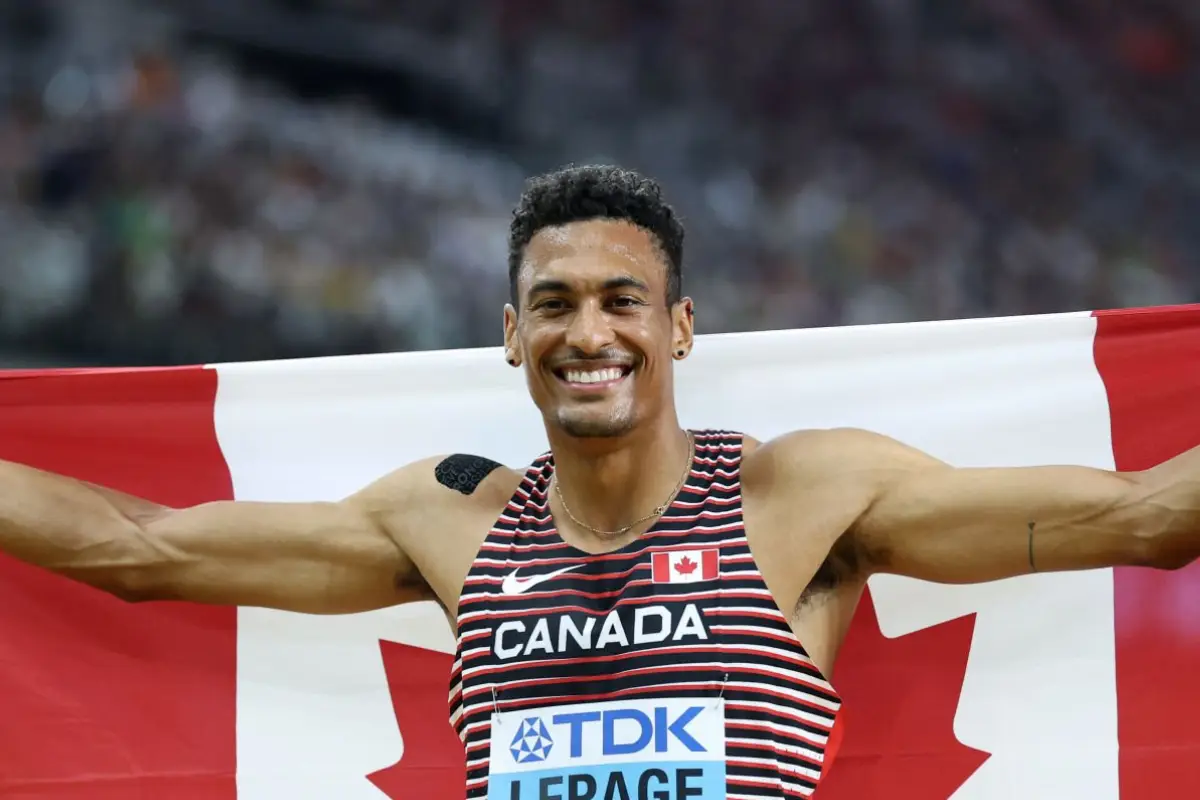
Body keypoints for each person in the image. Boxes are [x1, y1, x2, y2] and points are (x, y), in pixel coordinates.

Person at [1, 164, 1197, 799]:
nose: (591, 332)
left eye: (622, 299)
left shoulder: (799, 498)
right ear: (512, 335)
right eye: (556, 304)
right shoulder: (448, 521)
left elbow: (1144, 516)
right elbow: (139, 547)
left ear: (678, 327)